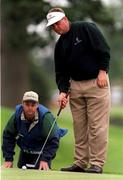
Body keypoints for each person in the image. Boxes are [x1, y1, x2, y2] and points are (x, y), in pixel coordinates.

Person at [46, 7, 111, 173]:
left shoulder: (85, 28)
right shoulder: (59, 45)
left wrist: (103, 71)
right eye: (52, 26)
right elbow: (61, 72)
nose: (56, 28)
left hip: (97, 82)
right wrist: (62, 91)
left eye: (57, 23)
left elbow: (103, 49)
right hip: (75, 86)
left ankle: (96, 164)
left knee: (97, 127)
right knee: (79, 126)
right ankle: (80, 163)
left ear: (65, 19)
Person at [2, 91, 67, 170]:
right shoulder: (16, 116)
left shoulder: (46, 118)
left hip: (42, 152)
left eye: (33, 105)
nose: (30, 108)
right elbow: (8, 136)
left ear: (37, 105)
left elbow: (53, 140)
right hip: (25, 150)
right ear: (22, 104)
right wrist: (8, 159)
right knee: (21, 170)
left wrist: (45, 159)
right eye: (27, 105)